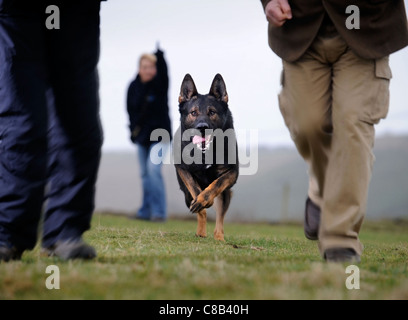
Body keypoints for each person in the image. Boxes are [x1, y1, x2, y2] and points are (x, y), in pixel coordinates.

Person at [261, 0, 408, 262]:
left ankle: (340, 239)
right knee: (308, 125)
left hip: (367, 29)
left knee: (352, 125)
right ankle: (321, 189)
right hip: (300, 28)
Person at [0, 0, 104, 262]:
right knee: (22, 120)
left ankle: (65, 231)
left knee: (79, 118)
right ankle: (8, 233)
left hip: (77, 9)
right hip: (16, 10)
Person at [127, 46, 172, 222]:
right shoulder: (133, 87)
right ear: (139, 68)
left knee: (153, 170)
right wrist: (133, 131)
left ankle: (159, 213)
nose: (148, 70)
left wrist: (160, 58)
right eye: (145, 67)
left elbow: (164, 73)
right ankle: (145, 212)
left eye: (151, 67)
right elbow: (130, 111)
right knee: (145, 174)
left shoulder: (160, 85)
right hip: (142, 136)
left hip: (161, 135)